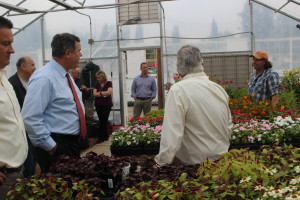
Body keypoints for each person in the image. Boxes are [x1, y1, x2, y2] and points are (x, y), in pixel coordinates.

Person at [155, 45, 232, 166]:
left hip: (194, 167)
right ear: (202, 64)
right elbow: (228, 127)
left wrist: (161, 164)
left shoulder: (178, 90)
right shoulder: (218, 89)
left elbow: (172, 135)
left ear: (179, 68)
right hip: (222, 161)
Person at [22, 33, 85, 172]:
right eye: (79, 50)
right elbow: (30, 117)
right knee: (59, 188)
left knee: (71, 187)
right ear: (68, 52)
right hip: (57, 145)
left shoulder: (65, 75)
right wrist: (51, 146)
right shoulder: (44, 78)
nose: (81, 55)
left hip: (70, 143)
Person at [0, 16, 28, 199]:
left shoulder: (4, 78)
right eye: (5, 44)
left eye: (11, 43)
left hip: (17, 171)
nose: (12, 50)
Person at [8, 56, 36, 178]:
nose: (35, 68)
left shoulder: (33, 82)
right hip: (21, 132)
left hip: (32, 130)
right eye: (32, 65)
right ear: (23, 67)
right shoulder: (12, 84)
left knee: (33, 161)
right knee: (28, 162)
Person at [93, 70, 113, 143]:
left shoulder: (109, 83)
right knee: (101, 120)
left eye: (99, 77)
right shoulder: (96, 84)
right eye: (97, 78)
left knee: (104, 120)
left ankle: (102, 137)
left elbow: (109, 92)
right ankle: (104, 136)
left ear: (103, 77)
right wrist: (103, 93)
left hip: (107, 104)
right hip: (98, 104)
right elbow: (94, 94)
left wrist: (100, 93)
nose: (98, 79)